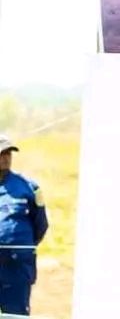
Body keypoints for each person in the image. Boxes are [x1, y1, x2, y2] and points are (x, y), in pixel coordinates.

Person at [0, 134, 49, 315]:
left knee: (15, 314)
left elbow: (41, 224)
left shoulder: (29, 188)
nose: (6, 158)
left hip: (16, 265)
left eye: (8, 154)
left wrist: (22, 247)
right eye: (1, 154)